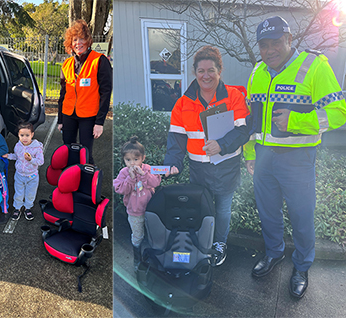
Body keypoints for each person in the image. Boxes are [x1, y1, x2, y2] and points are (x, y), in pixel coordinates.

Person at [224, 16, 346, 298]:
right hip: (264, 158)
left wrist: (297, 121)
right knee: (268, 213)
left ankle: (302, 266)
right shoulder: (257, 73)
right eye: (264, 45)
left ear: (289, 40)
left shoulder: (314, 66)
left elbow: (339, 112)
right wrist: (251, 155)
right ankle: (274, 253)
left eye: (276, 42)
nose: (270, 51)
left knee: (301, 216)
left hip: (298, 159)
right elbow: (253, 121)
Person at [163, 46, 249, 267]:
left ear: (220, 71)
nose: (206, 75)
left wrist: (221, 145)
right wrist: (172, 163)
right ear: (194, 72)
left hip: (225, 167)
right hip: (198, 169)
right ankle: (202, 241)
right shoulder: (183, 103)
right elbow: (176, 139)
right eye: (201, 71)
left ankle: (219, 244)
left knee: (222, 209)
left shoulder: (234, 97)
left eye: (211, 70)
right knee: (201, 207)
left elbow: (243, 131)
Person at [57, 19, 112, 156]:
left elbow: (106, 92)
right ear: (70, 43)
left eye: (81, 39)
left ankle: (87, 176)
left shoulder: (99, 60)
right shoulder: (67, 64)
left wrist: (100, 122)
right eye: (74, 40)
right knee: (68, 150)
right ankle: (70, 175)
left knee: (85, 151)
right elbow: (63, 94)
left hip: (88, 116)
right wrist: (60, 119)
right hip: (68, 114)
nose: (78, 43)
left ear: (88, 41)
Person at [113, 136, 161, 270]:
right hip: (134, 212)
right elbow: (120, 189)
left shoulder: (148, 169)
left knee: (153, 234)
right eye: (128, 160)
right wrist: (130, 178)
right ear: (123, 160)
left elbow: (156, 182)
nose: (132, 163)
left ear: (143, 158)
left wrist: (144, 175)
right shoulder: (123, 173)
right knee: (138, 235)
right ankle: (137, 257)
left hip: (151, 210)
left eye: (136, 159)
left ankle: (154, 256)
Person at [3, 122, 44, 221]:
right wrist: (8, 156)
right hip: (19, 175)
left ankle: (27, 208)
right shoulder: (18, 146)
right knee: (18, 192)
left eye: (27, 135)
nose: (24, 138)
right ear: (18, 135)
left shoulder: (36, 148)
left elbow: (40, 161)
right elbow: (17, 157)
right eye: (22, 135)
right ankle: (17, 208)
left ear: (32, 134)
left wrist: (31, 160)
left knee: (30, 193)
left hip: (32, 176)